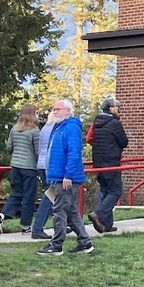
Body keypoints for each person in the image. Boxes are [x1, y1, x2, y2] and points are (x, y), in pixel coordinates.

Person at [36, 99, 93, 256]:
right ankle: (85, 242)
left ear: (68, 111)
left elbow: (74, 153)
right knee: (71, 211)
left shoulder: (71, 128)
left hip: (65, 178)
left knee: (59, 210)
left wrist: (68, 175)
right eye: (54, 109)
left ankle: (56, 245)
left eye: (58, 109)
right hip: (58, 176)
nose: (55, 112)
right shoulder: (59, 127)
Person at [0, 104, 40, 233]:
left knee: (16, 194)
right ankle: (25, 225)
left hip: (15, 166)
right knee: (29, 197)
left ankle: (2, 215)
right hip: (29, 167)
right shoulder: (35, 131)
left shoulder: (14, 129)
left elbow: (9, 147)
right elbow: (38, 152)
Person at [88, 98, 128, 233]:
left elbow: (90, 139)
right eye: (117, 107)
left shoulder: (97, 123)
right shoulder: (114, 123)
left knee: (105, 191)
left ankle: (106, 224)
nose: (119, 109)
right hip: (111, 162)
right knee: (115, 191)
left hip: (99, 162)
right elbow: (124, 141)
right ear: (110, 108)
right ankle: (98, 214)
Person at [29, 109, 57, 240]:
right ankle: (38, 228)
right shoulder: (56, 128)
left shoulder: (45, 127)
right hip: (49, 165)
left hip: (41, 164)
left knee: (56, 196)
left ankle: (67, 223)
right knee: (50, 196)